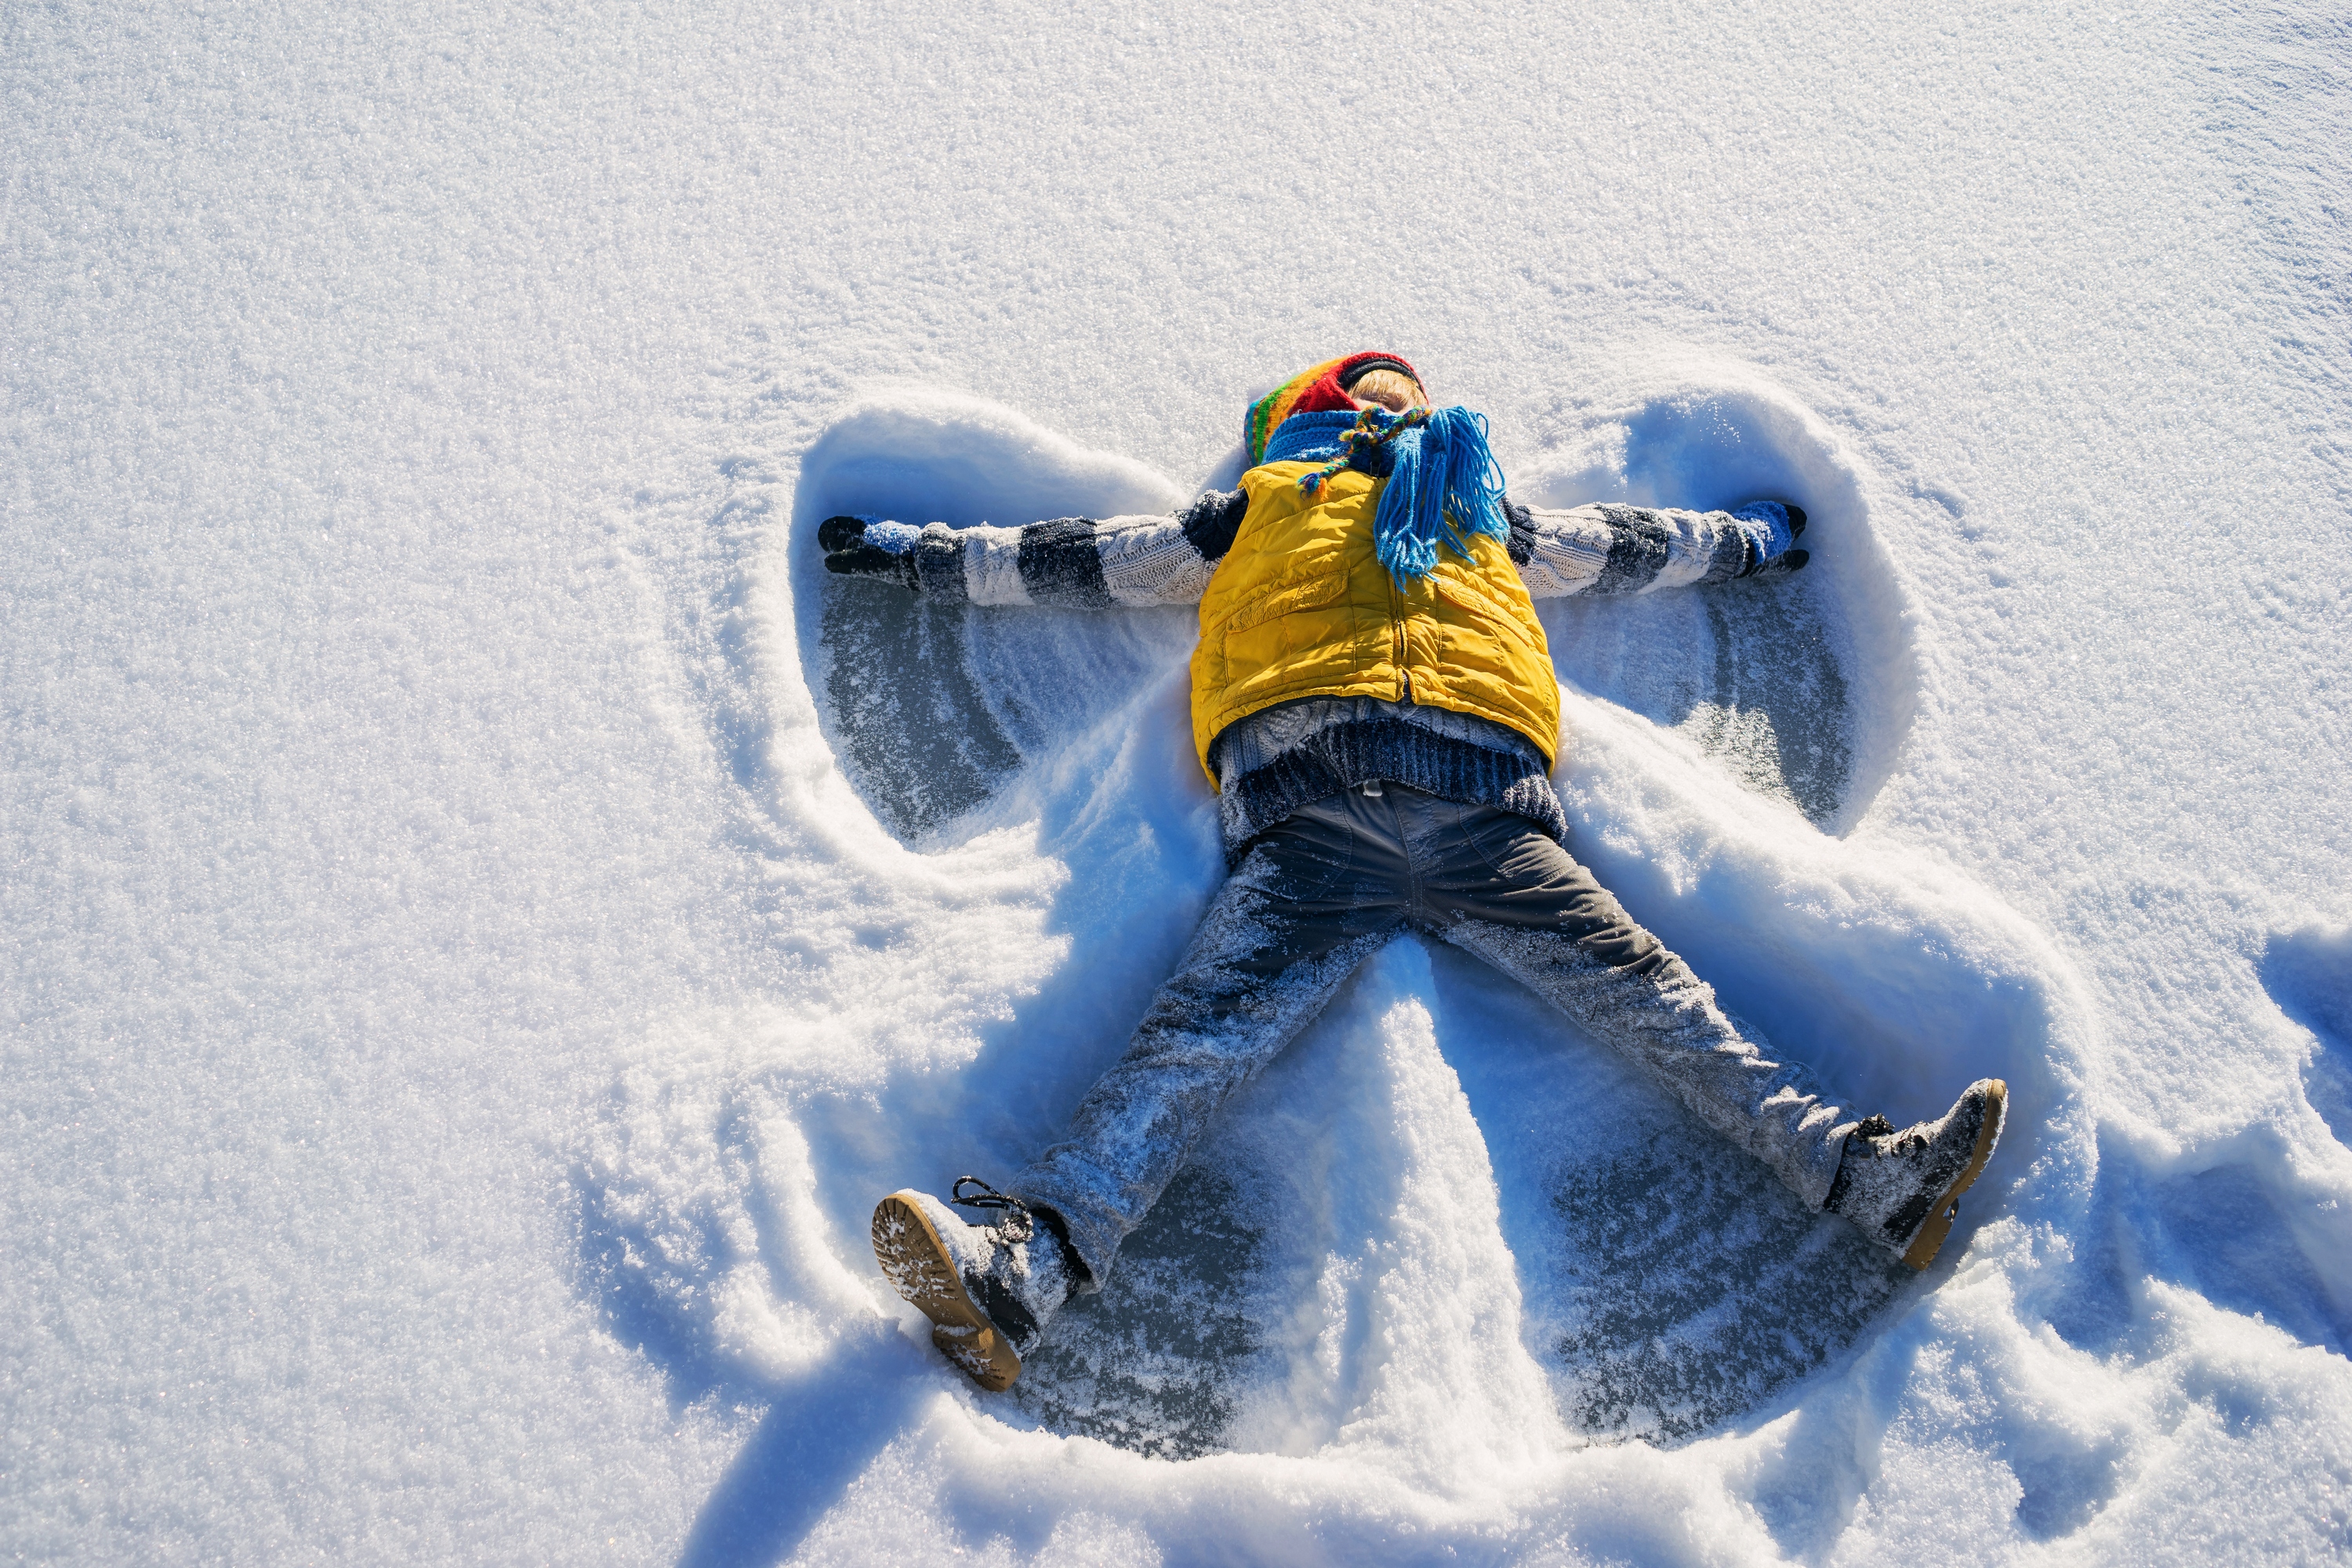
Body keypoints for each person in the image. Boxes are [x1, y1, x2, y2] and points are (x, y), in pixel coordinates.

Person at [823, 352, 2007, 1392]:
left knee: (1659, 1002)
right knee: (1194, 1042)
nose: (1391, 392)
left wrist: (1745, 543)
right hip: (1311, 814)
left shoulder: (1476, 500)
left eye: (1402, 383)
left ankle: (1867, 1180)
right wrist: (927, 558)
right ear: (1311, 412)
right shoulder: (1259, 505)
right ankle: (1020, 1272)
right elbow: (1082, 558)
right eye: (1359, 383)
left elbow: (1623, 544)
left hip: (1487, 808)